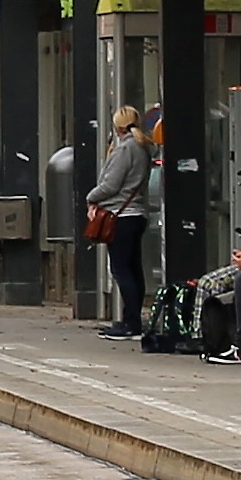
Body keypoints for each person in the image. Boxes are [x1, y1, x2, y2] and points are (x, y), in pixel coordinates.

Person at [86, 106, 152, 334]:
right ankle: (132, 319)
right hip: (137, 214)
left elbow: (111, 185)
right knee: (133, 268)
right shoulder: (142, 147)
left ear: (117, 126)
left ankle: (131, 322)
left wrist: (91, 197)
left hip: (122, 215)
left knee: (121, 269)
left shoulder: (126, 149)